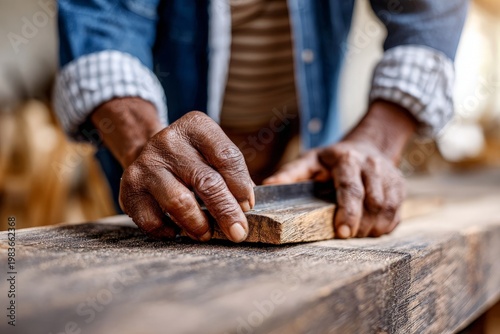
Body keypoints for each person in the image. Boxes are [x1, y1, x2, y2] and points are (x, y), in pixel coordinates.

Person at [54, 0, 468, 243]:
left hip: (301, 144)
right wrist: (144, 143)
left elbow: (428, 11)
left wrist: (378, 139)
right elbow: (103, 18)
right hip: (165, 155)